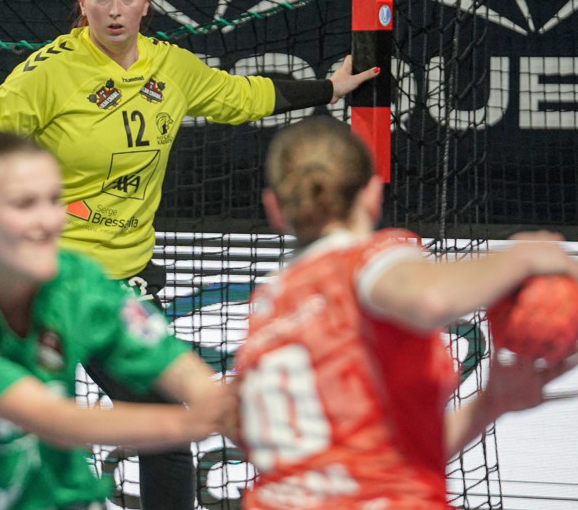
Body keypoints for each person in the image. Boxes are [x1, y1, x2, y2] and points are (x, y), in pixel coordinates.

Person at [0, 0, 380, 508]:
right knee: (25, 431)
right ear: (81, 4)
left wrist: (329, 89)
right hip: (51, 283)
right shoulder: (47, 74)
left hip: (126, 285)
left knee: (163, 428)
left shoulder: (171, 67)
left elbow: (245, 97)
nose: (114, 8)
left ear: (146, 4)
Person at [230, 115, 578, 509]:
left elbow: (377, 460)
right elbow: (430, 298)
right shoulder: (367, 259)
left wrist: (490, 404)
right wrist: (526, 256)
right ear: (373, 194)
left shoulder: (269, 304)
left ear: (274, 208)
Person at [0, 132, 233, 510]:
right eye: (24, 204)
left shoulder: (78, 281)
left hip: (56, 496)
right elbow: (46, 417)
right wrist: (193, 424)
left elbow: (164, 357)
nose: (48, 221)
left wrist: (219, 399)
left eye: (54, 200)